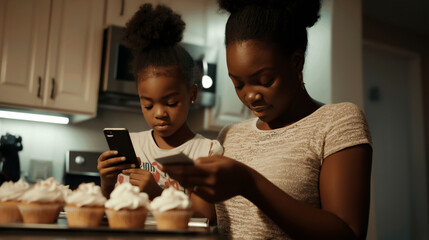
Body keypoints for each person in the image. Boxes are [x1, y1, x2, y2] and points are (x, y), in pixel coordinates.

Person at [163, 0, 373, 239]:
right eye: (238, 84)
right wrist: (187, 188)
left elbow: (348, 233)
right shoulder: (230, 134)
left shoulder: (337, 121)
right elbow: (206, 219)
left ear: (296, 62)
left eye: (264, 80)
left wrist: (249, 183)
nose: (250, 96)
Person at [97, 3, 223, 221]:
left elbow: (206, 217)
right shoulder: (132, 145)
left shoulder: (207, 152)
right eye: (147, 105)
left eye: (171, 103)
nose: (159, 113)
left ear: (192, 94)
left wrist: (158, 193)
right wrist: (107, 182)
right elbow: (112, 204)